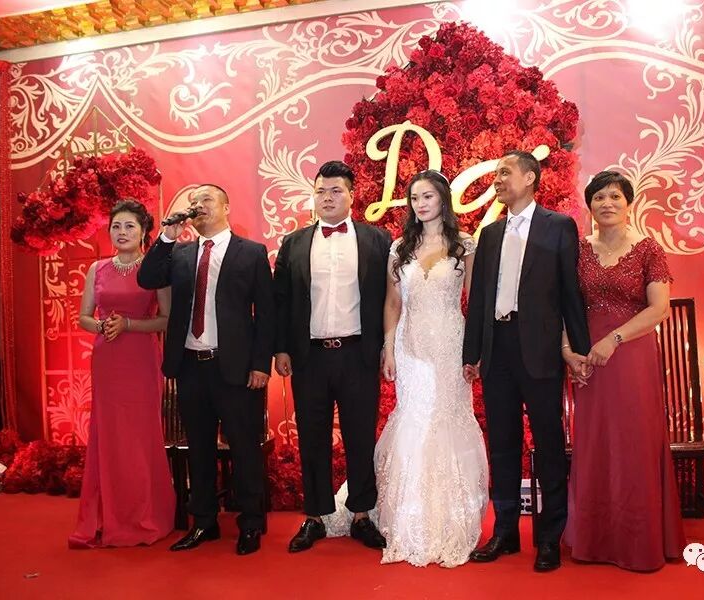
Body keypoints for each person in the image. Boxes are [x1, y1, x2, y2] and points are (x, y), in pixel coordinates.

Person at [463, 150, 591, 572]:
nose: (497, 180)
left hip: (539, 349)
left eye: (505, 172)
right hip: (497, 347)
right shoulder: (490, 234)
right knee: (502, 443)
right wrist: (472, 354)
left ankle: (549, 537)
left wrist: (580, 348)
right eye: (496, 174)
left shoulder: (559, 226)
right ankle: (504, 532)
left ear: (530, 177)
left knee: (548, 443)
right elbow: (480, 299)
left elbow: (570, 292)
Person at [137, 184, 275, 556]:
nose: (198, 206)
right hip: (190, 366)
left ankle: (250, 523)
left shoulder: (251, 253)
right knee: (198, 447)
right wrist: (166, 238)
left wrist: (260, 364)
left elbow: (266, 314)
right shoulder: (180, 253)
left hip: (235, 368)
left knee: (243, 447)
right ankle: (204, 521)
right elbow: (147, 279)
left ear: (226, 206)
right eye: (193, 202)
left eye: (206, 200)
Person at [563, 170, 685, 571]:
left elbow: (659, 309)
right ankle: (595, 540)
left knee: (634, 441)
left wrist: (613, 340)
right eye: (599, 197)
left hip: (631, 354)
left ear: (629, 204)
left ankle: (639, 542)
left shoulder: (648, 249)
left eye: (615, 196)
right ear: (590, 206)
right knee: (595, 441)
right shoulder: (579, 250)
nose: (607, 203)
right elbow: (565, 305)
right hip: (588, 359)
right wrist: (569, 351)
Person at [373, 169, 488, 567]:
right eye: (414, 198)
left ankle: (451, 518)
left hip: (450, 346)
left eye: (427, 196)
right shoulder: (400, 246)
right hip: (410, 348)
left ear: (443, 199)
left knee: (447, 419)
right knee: (415, 420)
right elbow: (392, 303)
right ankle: (411, 519)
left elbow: (474, 300)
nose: (420, 204)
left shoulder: (464, 244)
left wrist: (475, 352)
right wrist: (389, 347)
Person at [274, 160, 390, 553]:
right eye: (321, 191)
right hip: (310, 357)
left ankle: (362, 515)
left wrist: (387, 347)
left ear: (352, 196)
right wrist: (281, 348)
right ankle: (316, 517)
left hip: (359, 354)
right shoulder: (294, 243)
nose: (327, 198)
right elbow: (280, 301)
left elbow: (392, 298)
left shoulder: (378, 240)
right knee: (312, 437)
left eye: (336, 190)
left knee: (361, 436)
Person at [69, 199, 175, 549]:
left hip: (141, 359)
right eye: (116, 226)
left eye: (130, 226)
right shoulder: (97, 269)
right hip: (107, 359)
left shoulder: (155, 269)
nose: (122, 232)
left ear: (144, 232)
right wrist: (102, 325)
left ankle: (144, 515)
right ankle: (108, 516)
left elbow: (166, 320)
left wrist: (128, 324)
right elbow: (84, 317)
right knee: (108, 435)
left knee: (141, 436)